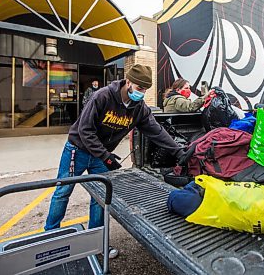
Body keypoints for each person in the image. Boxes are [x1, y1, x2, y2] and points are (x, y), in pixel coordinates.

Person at [44, 64, 185, 259]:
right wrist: (106, 156)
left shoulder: (139, 109)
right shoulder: (102, 96)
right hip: (78, 150)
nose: (142, 93)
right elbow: (85, 130)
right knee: (63, 190)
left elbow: (156, 131)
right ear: (128, 82)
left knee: (101, 197)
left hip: (101, 155)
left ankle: (97, 241)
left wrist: (178, 151)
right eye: (139, 88)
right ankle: (50, 237)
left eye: (145, 89)